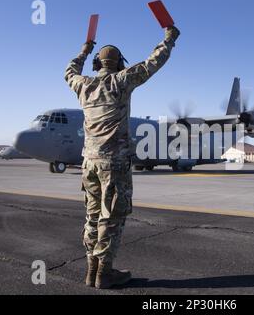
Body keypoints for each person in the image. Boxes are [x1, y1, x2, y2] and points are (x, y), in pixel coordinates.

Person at [65, 26, 180, 289]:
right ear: (118, 64)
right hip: (113, 163)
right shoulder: (121, 81)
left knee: (92, 216)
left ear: (97, 64)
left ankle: (91, 270)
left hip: (89, 163)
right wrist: (169, 38)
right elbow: (153, 63)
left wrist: (84, 51)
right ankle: (104, 272)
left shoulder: (83, 85)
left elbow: (69, 72)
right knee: (111, 217)